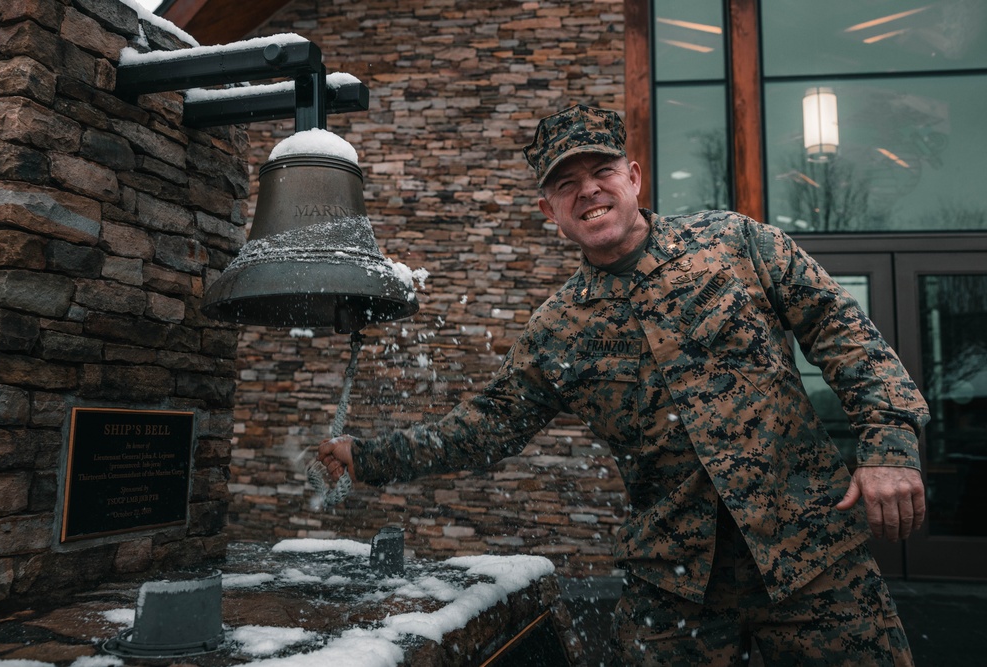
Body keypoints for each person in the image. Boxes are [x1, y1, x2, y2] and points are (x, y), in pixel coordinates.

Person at [317, 104, 929, 666]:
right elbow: (482, 429)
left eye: (601, 169)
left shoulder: (736, 245)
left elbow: (842, 333)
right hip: (675, 586)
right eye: (565, 183)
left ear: (633, 178)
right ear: (549, 212)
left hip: (812, 559)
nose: (587, 189)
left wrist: (888, 447)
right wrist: (365, 456)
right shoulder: (557, 330)